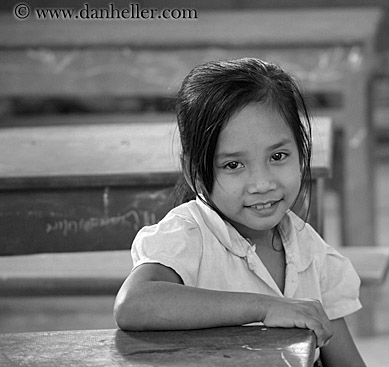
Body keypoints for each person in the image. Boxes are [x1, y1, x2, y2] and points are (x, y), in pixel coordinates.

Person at [114, 58, 366, 366]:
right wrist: (264, 308)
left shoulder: (309, 249)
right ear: (195, 172)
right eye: (233, 165)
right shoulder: (190, 234)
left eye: (278, 156)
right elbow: (134, 304)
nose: (262, 183)